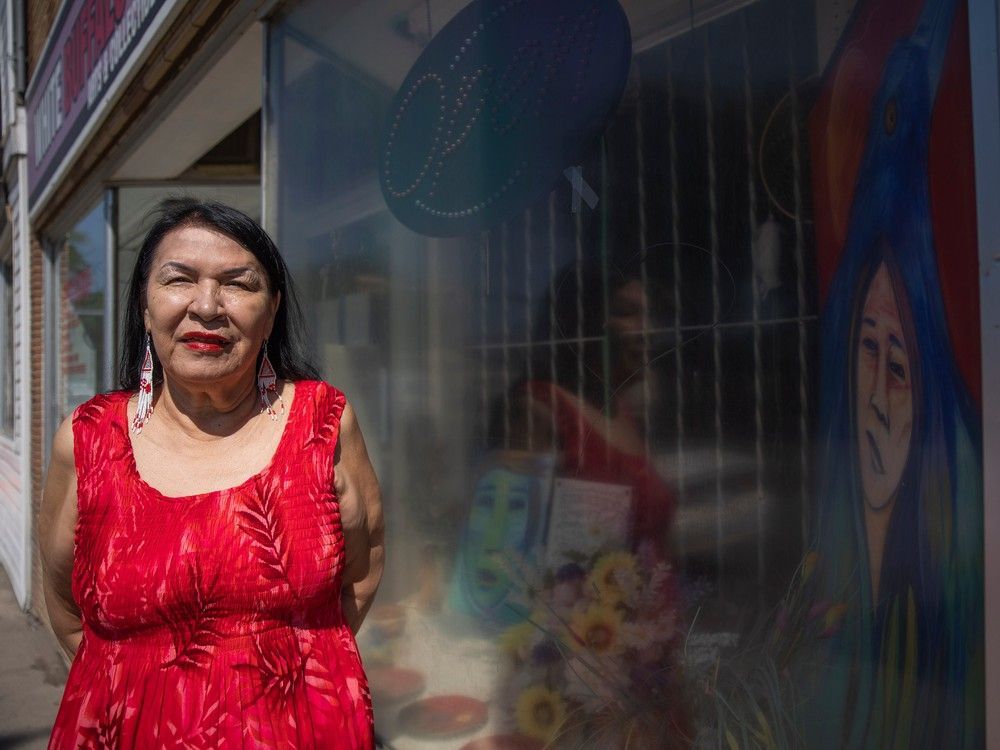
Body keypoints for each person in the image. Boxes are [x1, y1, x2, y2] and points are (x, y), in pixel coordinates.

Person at [38, 198, 385, 749]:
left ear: (270, 313)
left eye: (238, 284)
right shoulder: (87, 440)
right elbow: (64, 607)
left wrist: (295, 671)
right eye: (179, 280)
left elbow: (360, 580)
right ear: (146, 309)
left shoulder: (324, 423)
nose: (207, 306)